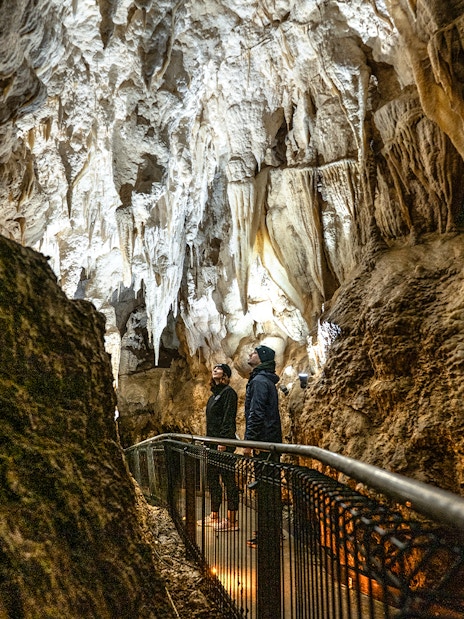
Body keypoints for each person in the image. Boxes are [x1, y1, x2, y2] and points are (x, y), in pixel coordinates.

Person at [243, 345, 282, 550]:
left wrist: (249, 442)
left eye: (255, 352)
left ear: (263, 358)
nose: (250, 354)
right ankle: (270, 532)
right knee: (270, 489)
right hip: (270, 441)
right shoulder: (264, 380)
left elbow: (256, 413)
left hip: (263, 443)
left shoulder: (259, 381)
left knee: (266, 491)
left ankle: (268, 536)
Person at [197, 363, 240, 532]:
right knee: (213, 480)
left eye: (219, 368)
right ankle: (214, 515)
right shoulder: (213, 396)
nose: (215, 369)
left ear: (226, 374)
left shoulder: (229, 393)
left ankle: (232, 520)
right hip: (212, 443)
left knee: (228, 480)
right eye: (214, 368)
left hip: (223, 444)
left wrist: (224, 441)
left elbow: (228, 419)